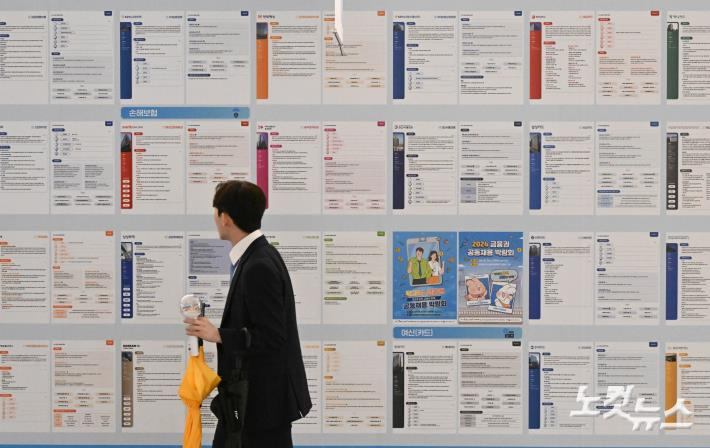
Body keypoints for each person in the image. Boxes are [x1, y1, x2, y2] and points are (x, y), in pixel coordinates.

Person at [184, 180, 311, 448]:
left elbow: (272, 337)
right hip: (253, 402)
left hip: (260, 406)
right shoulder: (258, 256)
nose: (214, 217)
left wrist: (219, 335)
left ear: (226, 218)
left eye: (215, 211)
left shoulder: (258, 265)